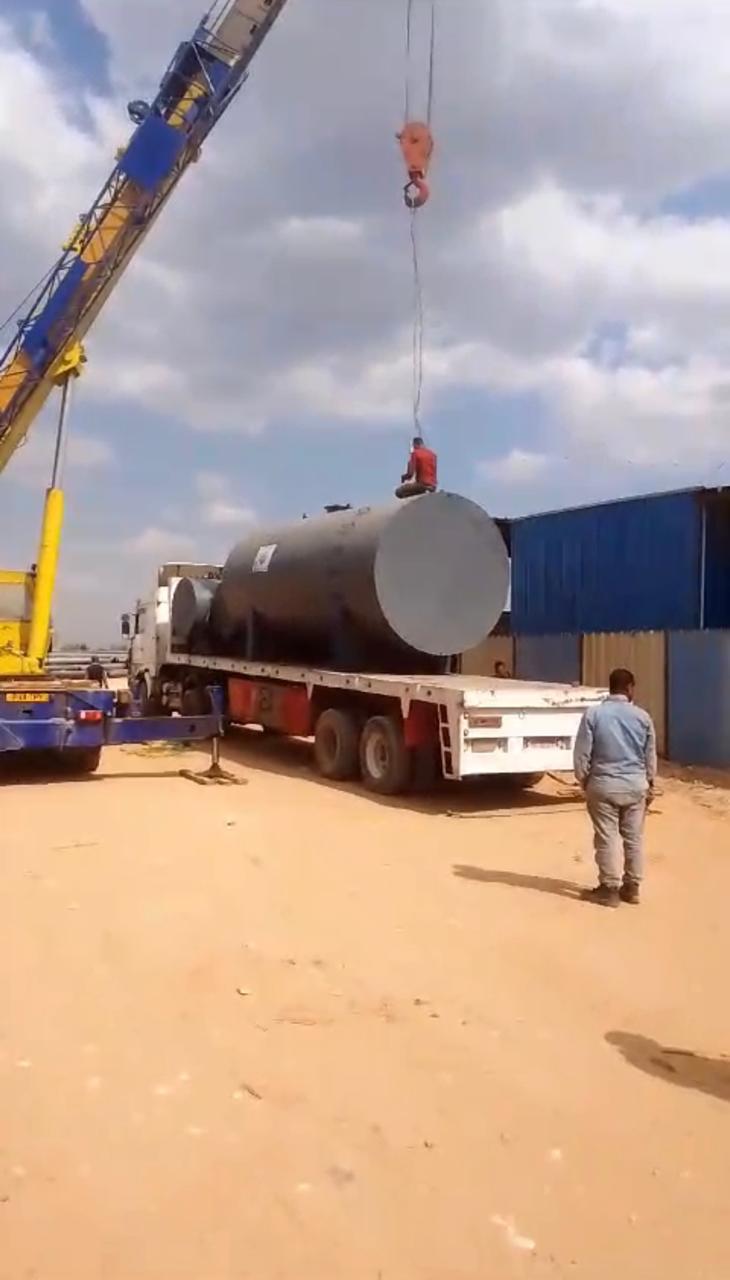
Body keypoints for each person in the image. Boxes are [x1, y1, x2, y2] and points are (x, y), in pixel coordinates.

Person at [573, 667, 657, 909]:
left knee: (607, 837)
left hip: (603, 785)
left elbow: (582, 753)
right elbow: (650, 756)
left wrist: (584, 779)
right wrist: (650, 783)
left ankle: (609, 889)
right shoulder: (643, 717)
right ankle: (632, 887)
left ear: (610, 687)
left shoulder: (593, 715)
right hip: (635, 786)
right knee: (633, 838)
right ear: (630, 688)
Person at [395, 435, 437, 499]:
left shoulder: (415, 453)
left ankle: (413, 502)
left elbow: (410, 474)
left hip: (422, 485)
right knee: (416, 487)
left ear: (415, 444)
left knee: (398, 492)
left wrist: (404, 477)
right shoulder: (433, 454)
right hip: (433, 486)